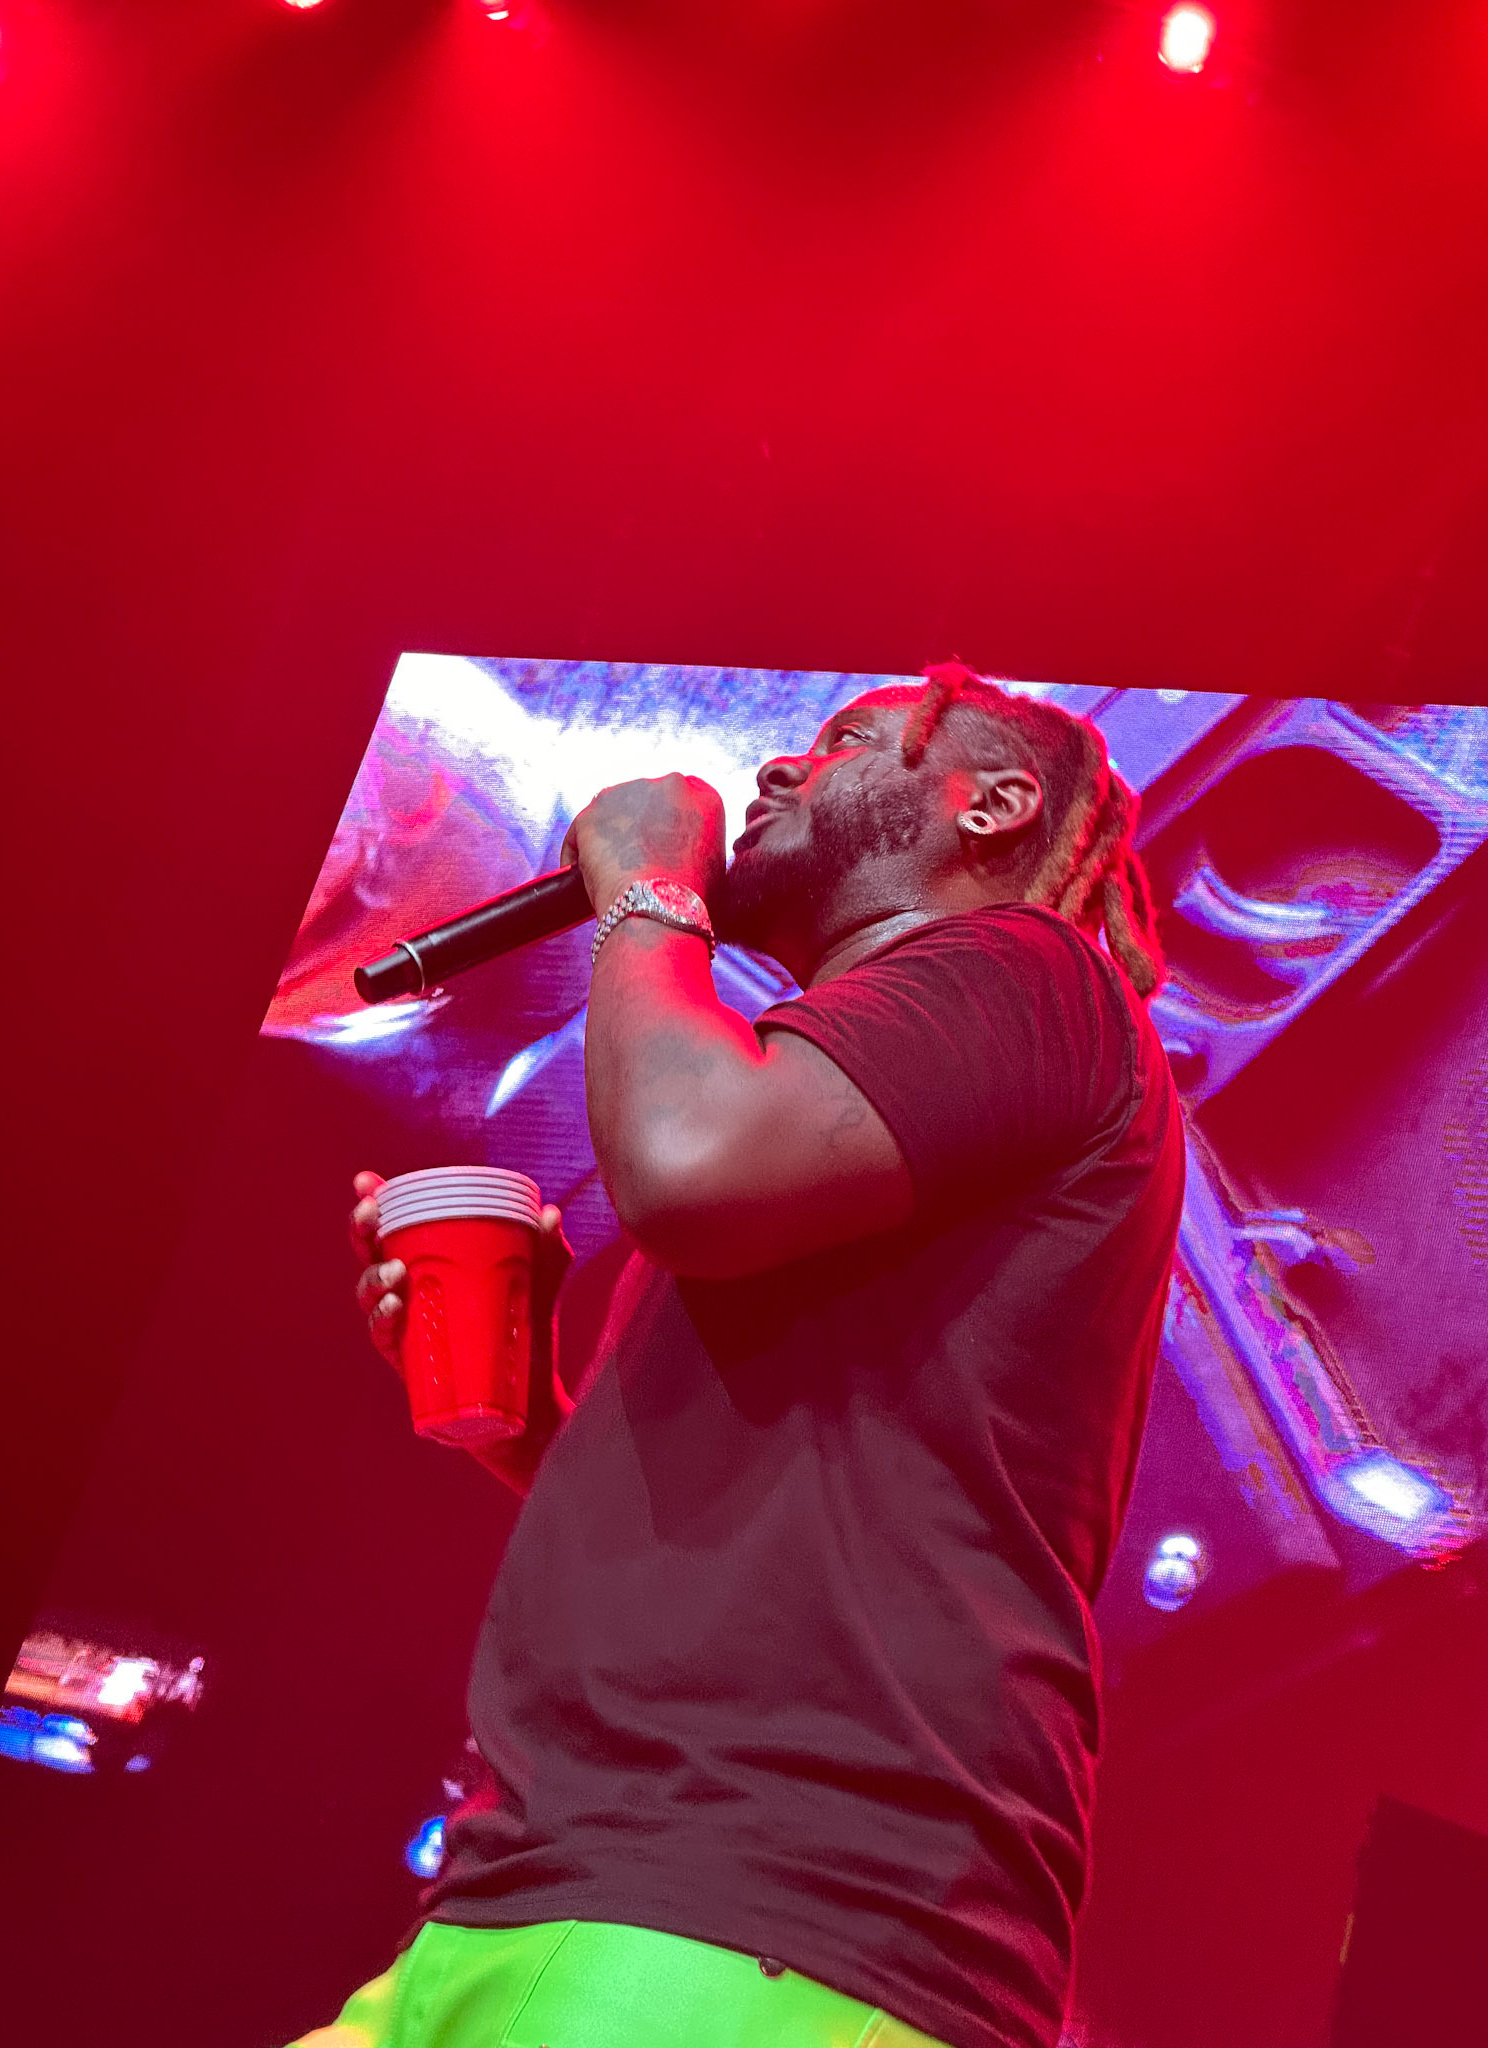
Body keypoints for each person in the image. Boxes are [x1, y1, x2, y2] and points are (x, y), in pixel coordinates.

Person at [302, 661, 1185, 2048]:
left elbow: (687, 1162)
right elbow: (793, 1521)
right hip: (565, 1890)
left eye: (848, 743)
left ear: (997, 805)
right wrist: (534, 1424)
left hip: (767, 1904)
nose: (780, 769)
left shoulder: (1029, 973)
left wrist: (649, 890)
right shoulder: (844, 1116)